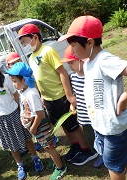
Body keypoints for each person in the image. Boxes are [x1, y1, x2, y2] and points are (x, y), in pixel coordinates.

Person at [16, 24, 97, 165]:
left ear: (35, 37)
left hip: (60, 96)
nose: (23, 45)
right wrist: (42, 96)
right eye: (22, 43)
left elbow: (62, 72)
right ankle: (75, 146)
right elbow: (40, 79)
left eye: (24, 41)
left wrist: (69, 95)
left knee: (73, 125)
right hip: (48, 99)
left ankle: (86, 150)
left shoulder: (47, 50)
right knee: (62, 124)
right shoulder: (31, 57)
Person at [58, 15, 127, 180]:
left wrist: (125, 98)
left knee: (113, 166)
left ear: (89, 42)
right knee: (119, 160)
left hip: (113, 128)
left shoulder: (104, 60)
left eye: (74, 45)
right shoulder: (88, 62)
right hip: (101, 127)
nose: (72, 51)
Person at [0, 53, 44, 180]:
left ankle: (35, 158)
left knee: (26, 138)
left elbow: (16, 95)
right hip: (0, 119)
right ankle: (20, 165)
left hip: (15, 113)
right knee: (12, 145)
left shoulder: (6, 78)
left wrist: (21, 111)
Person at [7, 62, 67, 180]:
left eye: (14, 81)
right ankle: (57, 161)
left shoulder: (31, 93)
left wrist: (33, 128)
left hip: (39, 126)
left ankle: (61, 168)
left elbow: (39, 113)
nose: (13, 84)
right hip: (36, 126)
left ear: (23, 79)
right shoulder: (23, 91)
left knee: (48, 147)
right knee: (47, 146)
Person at [61, 45, 100, 166]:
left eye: (72, 63)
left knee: (100, 137)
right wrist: (72, 106)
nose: (70, 66)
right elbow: (76, 93)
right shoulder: (73, 76)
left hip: (95, 116)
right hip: (83, 117)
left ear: (81, 60)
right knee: (90, 138)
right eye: (68, 64)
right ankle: (97, 152)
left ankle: (103, 154)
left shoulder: (91, 75)